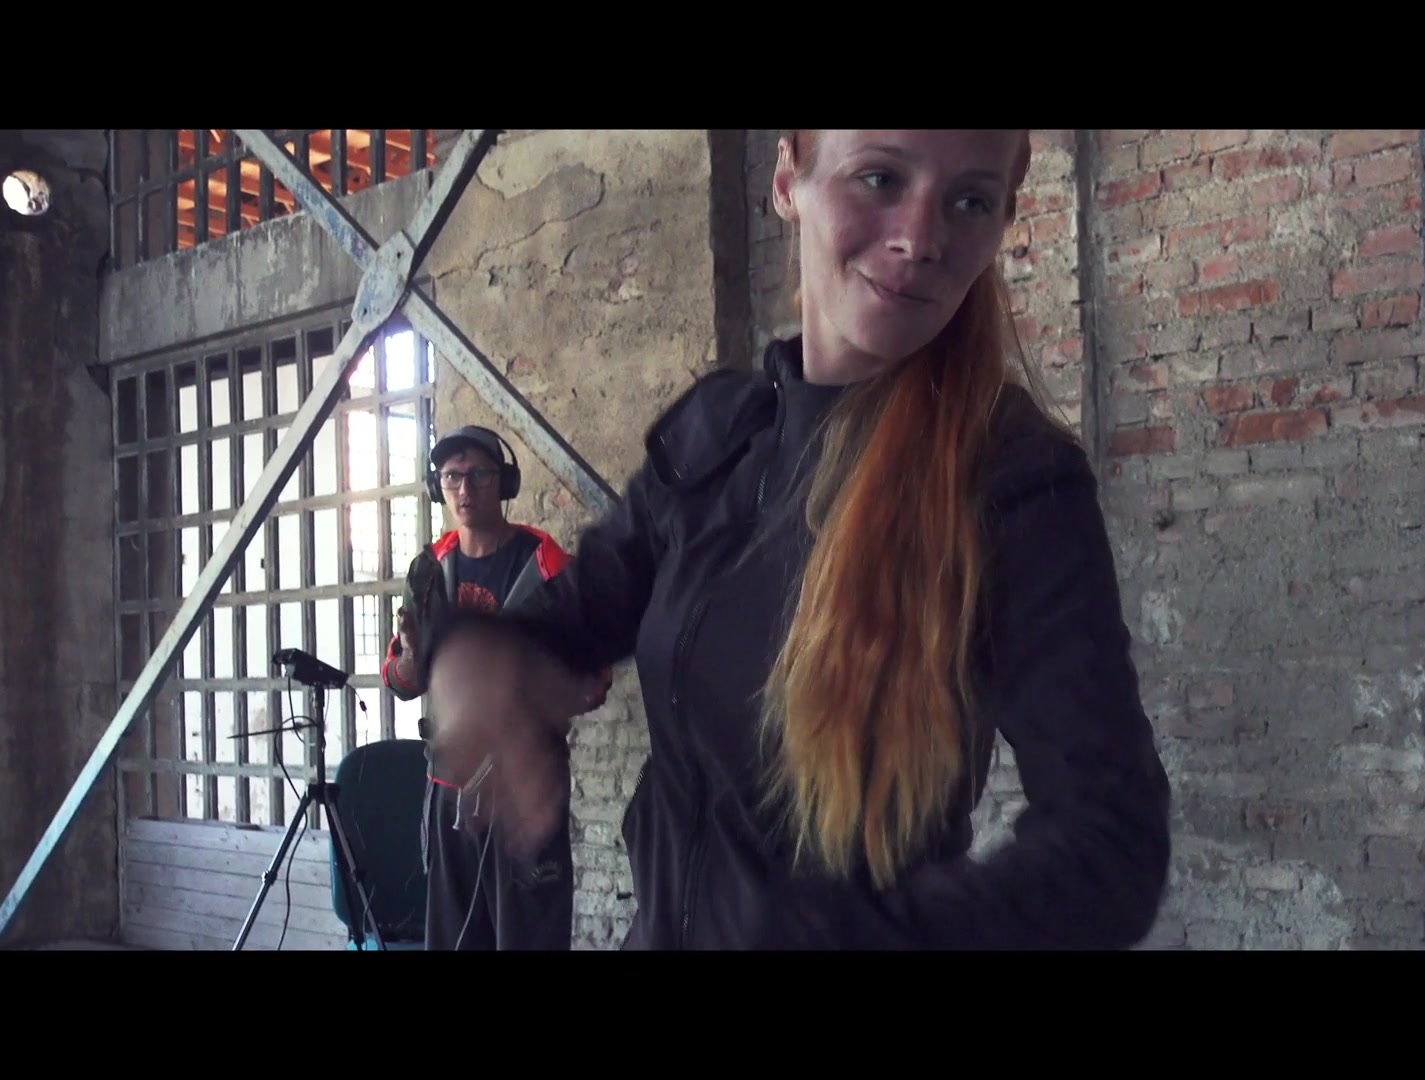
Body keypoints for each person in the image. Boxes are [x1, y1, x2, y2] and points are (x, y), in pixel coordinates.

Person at [416, 129, 1173, 950]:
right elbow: (581, 608)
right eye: (880, 178)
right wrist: (474, 654)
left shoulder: (1011, 477)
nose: (922, 238)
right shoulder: (721, 434)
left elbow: (1111, 842)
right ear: (788, 180)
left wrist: (871, 937)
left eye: (970, 200)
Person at [381, 423, 602, 950]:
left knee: (530, 937)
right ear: (437, 486)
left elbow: (594, 684)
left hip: (523, 790)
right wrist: (411, 655)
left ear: (504, 482)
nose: (464, 488)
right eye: (451, 477)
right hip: (449, 789)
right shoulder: (427, 570)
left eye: (478, 474)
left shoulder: (547, 565)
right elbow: (400, 681)